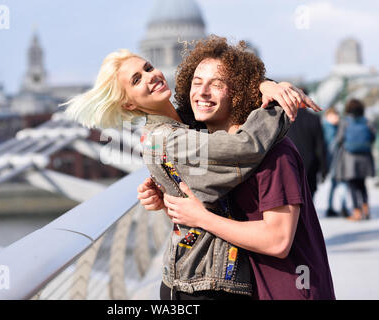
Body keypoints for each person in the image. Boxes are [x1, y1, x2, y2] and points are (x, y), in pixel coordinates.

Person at [63, 36, 321, 299]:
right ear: (129, 104)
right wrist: (280, 102)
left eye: (148, 68)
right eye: (136, 80)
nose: (150, 76)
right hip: (200, 284)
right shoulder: (168, 138)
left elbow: (198, 197)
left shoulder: (189, 123)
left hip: (208, 278)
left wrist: (265, 85)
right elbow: (245, 146)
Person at [140, 36, 335, 299]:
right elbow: (210, 219)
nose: (202, 92)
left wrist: (201, 218)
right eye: (197, 83)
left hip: (290, 289)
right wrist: (169, 201)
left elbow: (277, 240)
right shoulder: (215, 154)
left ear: (239, 91)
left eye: (216, 84)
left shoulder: (274, 154)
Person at [334, 99, 376, 221]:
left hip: (350, 158)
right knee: (362, 184)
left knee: (352, 185)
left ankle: (357, 213)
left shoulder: (345, 122)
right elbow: (373, 136)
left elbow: (339, 139)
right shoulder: (367, 121)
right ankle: (366, 210)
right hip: (365, 156)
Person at [286, 90, 328, 198]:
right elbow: (320, 146)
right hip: (310, 167)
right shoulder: (314, 119)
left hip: (288, 165)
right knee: (309, 200)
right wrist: (324, 168)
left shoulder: (285, 118)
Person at [322, 107, 348, 217]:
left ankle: (332, 207)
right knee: (340, 183)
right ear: (328, 117)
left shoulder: (334, 127)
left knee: (335, 184)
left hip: (335, 161)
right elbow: (332, 146)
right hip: (334, 161)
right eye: (334, 115)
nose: (337, 117)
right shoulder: (329, 129)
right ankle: (341, 207)